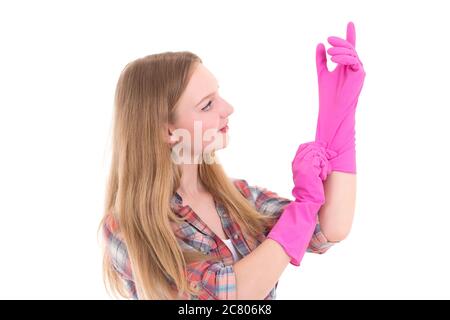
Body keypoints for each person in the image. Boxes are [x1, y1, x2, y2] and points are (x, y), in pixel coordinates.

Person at [99, 21, 366, 300]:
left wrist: (337, 119)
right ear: (167, 130)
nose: (228, 109)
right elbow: (227, 297)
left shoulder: (237, 197)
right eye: (207, 105)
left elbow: (329, 228)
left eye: (217, 95)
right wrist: (304, 207)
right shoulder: (128, 228)